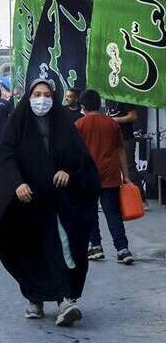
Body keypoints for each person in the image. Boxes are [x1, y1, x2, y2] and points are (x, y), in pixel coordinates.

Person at [0, 79, 100, 327]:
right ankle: (35, 298)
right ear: (28, 97)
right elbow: (7, 157)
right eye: (37, 94)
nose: (42, 99)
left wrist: (67, 171)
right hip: (27, 202)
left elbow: (80, 158)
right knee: (30, 250)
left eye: (47, 94)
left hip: (58, 203)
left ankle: (65, 300)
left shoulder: (63, 124)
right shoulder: (17, 125)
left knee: (63, 247)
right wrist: (17, 183)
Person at [75, 89, 135, 265]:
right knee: (113, 213)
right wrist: (126, 176)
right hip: (110, 174)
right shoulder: (112, 124)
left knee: (90, 211)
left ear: (83, 106)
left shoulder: (79, 125)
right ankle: (123, 250)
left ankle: (96, 247)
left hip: (87, 176)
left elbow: (75, 153)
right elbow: (120, 150)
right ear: (99, 104)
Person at [104, 99, 145, 209]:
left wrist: (114, 119)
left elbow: (133, 116)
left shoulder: (123, 98)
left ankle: (141, 199)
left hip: (126, 138)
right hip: (111, 138)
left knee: (129, 167)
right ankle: (115, 200)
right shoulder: (107, 100)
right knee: (111, 167)